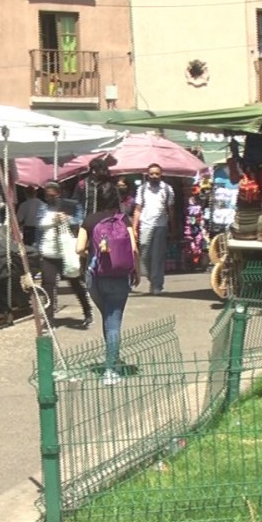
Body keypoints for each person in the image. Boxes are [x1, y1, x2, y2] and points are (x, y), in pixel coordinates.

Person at [76, 182, 140, 385]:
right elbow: (134, 248)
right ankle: (111, 369)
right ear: (117, 200)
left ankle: (112, 360)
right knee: (114, 323)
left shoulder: (90, 220)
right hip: (120, 277)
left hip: (95, 277)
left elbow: (78, 249)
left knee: (107, 318)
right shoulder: (124, 220)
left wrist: (93, 252)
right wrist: (136, 271)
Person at [36, 181, 93, 330]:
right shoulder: (43, 208)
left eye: (53, 195)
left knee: (75, 283)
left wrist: (68, 219)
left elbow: (81, 221)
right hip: (48, 252)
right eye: (47, 195)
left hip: (66, 253)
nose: (50, 198)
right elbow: (39, 224)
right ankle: (49, 319)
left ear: (59, 193)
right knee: (48, 285)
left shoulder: (71, 206)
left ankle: (87, 311)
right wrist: (52, 219)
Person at [132, 163, 176, 295]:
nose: (154, 176)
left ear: (161, 174)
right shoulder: (142, 189)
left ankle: (157, 285)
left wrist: (173, 227)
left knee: (158, 256)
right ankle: (152, 278)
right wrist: (134, 228)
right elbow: (138, 209)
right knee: (144, 254)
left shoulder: (167, 189)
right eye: (151, 174)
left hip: (161, 225)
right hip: (145, 225)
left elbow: (171, 210)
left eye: (157, 173)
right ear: (147, 175)